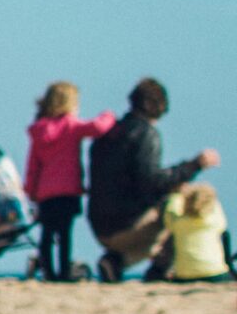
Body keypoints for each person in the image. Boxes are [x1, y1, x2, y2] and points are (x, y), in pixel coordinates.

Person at [88, 79, 220, 284]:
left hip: (99, 223)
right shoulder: (146, 134)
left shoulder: (109, 133)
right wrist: (195, 165)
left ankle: (115, 262)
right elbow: (150, 182)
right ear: (152, 105)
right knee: (175, 209)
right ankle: (157, 268)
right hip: (127, 225)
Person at [23, 83, 115, 281]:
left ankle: (48, 272)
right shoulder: (71, 126)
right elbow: (98, 127)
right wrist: (109, 115)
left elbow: (33, 165)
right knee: (65, 235)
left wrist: (30, 190)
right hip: (67, 190)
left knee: (46, 235)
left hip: (45, 192)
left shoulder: (39, 131)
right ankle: (64, 272)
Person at [162, 185, 232, 281]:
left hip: (185, 275)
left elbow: (170, 210)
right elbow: (214, 204)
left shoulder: (177, 223)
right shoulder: (215, 221)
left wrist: (177, 194)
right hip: (214, 272)